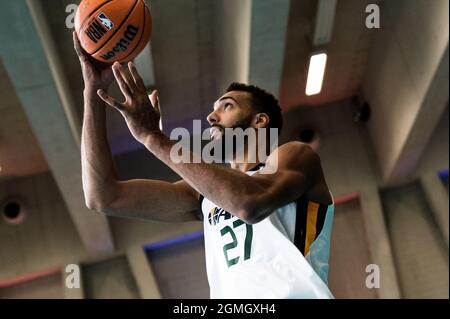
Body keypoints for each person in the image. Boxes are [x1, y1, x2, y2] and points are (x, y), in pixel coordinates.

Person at [73, 31, 335, 299]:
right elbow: (102, 196)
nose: (211, 116)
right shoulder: (202, 195)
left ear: (259, 121)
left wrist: (153, 138)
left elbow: (250, 202)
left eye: (227, 106)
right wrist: (92, 89)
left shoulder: (297, 156)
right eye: (213, 109)